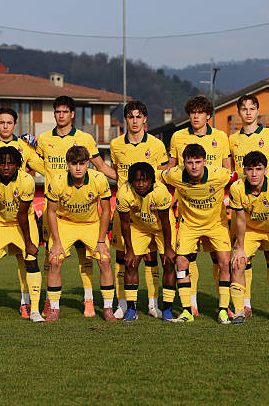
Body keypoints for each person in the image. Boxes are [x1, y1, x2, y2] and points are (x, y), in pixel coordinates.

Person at [36, 96, 116, 318]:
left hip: (88, 218)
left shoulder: (85, 139)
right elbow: (34, 163)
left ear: (72, 114)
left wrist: (127, 180)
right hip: (60, 211)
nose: (61, 115)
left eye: (65, 111)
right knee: (52, 258)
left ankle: (96, 303)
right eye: (57, 111)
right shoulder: (43, 139)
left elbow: (101, 166)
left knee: (95, 259)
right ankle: (51, 305)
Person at [0, 107, 45, 319]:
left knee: (26, 260)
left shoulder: (24, 146)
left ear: (15, 124)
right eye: (1, 122)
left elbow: (44, 167)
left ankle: (27, 304)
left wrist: (39, 148)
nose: (5, 126)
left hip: (20, 214)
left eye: (9, 122)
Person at [167, 95, 231, 317]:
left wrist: (228, 199)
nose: (196, 116)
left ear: (208, 116)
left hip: (215, 212)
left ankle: (224, 306)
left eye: (200, 112)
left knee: (220, 260)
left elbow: (228, 171)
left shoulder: (220, 137)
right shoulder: (178, 137)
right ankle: (190, 304)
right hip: (188, 212)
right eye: (192, 112)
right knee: (187, 259)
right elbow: (170, 171)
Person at [159, 144, 236, 324]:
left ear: (205, 162)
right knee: (181, 262)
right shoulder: (175, 174)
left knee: (225, 263)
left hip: (216, 224)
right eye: (190, 162)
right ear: (184, 163)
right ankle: (187, 310)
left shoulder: (219, 174)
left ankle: (223, 310)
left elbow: (240, 177)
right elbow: (156, 175)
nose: (194, 166)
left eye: (198, 162)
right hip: (189, 225)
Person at [229, 94, 269, 319]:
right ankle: (245, 305)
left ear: (257, 110)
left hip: (268, 205)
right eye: (244, 109)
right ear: (239, 112)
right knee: (243, 258)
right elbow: (231, 172)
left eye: (252, 108)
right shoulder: (232, 139)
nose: (248, 112)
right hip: (244, 207)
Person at [109, 101, 169, 319]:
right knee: (123, 257)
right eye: (130, 117)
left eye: (138, 116)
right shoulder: (116, 145)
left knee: (152, 256)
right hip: (126, 208)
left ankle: (153, 305)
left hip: (150, 209)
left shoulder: (156, 145)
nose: (134, 121)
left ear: (145, 119)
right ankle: (123, 304)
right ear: (125, 119)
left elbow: (163, 173)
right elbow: (117, 172)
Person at [45, 146, 116, 322]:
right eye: (74, 164)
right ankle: (54, 309)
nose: (78, 168)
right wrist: (57, 242)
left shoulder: (99, 179)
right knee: (55, 260)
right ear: (67, 164)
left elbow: (106, 211)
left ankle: (108, 309)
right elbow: (51, 212)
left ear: (88, 165)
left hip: (91, 224)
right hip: (66, 223)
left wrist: (101, 241)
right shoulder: (58, 181)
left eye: (82, 163)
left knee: (104, 259)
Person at [229, 151, 269, 325]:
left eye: (258, 169)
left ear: (265, 170)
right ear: (244, 170)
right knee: (238, 263)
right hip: (251, 229)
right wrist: (239, 248)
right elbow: (240, 220)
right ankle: (239, 311)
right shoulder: (237, 188)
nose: (254, 173)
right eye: (250, 169)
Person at [116, 162, 176, 322]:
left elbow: (165, 222)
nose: (141, 184)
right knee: (130, 263)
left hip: (161, 228)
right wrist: (129, 250)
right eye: (137, 180)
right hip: (139, 227)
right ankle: (131, 309)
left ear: (152, 180)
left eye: (145, 180)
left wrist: (168, 248)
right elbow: (124, 224)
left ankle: (167, 309)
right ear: (131, 181)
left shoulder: (160, 191)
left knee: (169, 262)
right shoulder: (123, 193)